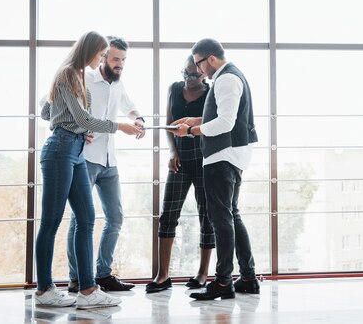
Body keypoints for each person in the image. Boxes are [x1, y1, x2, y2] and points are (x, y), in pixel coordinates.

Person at [35, 31, 142, 308]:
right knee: (51, 222)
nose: (102, 59)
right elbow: (80, 117)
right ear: (91, 51)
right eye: (101, 54)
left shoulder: (78, 76)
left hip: (77, 150)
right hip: (60, 150)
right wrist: (118, 126)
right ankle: (44, 290)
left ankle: (87, 291)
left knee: (87, 217)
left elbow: (51, 112)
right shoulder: (69, 73)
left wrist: (80, 128)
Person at [170, 38, 260, 301]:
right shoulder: (228, 76)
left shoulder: (226, 79)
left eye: (199, 64)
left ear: (210, 59)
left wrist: (192, 131)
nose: (198, 71)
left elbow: (225, 123)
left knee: (221, 219)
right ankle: (247, 277)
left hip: (222, 156)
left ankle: (223, 281)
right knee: (231, 214)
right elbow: (220, 116)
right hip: (230, 155)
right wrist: (194, 120)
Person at [66, 36, 145, 293]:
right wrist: (77, 128)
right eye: (115, 59)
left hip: (110, 161)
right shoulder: (85, 79)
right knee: (80, 220)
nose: (119, 64)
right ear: (103, 58)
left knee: (116, 217)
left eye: (123, 60)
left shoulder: (118, 84)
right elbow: (53, 104)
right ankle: (77, 278)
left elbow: (129, 106)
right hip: (86, 159)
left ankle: (103, 274)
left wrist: (139, 119)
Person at [146, 56, 215, 294]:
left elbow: (214, 123)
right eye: (185, 73)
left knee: (206, 214)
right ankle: (162, 275)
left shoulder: (211, 93)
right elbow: (168, 124)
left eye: (194, 75)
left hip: (204, 156)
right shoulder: (174, 88)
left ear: (204, 74)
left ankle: (203, 273)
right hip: (180, 157)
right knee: (168, 213)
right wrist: (172, 152)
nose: (188, 79)